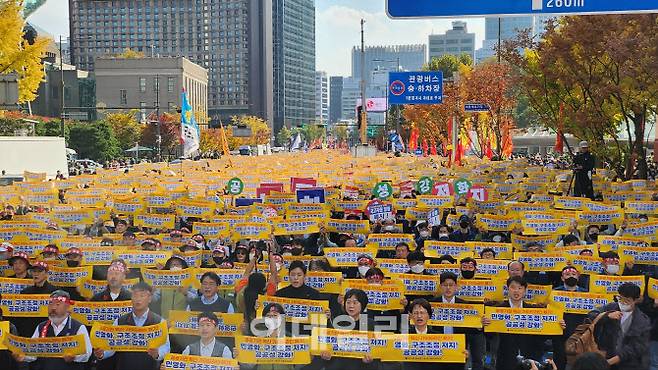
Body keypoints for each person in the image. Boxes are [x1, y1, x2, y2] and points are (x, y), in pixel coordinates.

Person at [484, 276, 566, 370]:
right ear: (507, 289)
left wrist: (557, 325)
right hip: (506, 357)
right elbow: (490, 335)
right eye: (513, 287)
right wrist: (485, 324)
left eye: (520, 288)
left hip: (531, 358)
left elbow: (543, 335)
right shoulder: (496, 310)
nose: (516, 291)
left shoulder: (535, 311)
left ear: (525, 290)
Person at [94, 282, 170, 370]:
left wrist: (157, 354)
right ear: (131, 298)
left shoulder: (159, 322)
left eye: (142, 295)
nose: (138, 299)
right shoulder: (119, 321)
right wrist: (101, 354)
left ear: (149, 299)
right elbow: (111, 347)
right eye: (135, 295)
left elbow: (166, 348)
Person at [16, 290, 92, 370]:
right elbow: (33, 352)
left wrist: (74, 356)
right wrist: (23, 356)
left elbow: (87, 353)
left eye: (58, 304)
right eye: (50, 304)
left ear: (67, 307)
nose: (53, 308)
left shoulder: (78, 327)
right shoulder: (41, 327)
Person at [587, 283, 650, 370]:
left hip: (628, 364)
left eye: (627, 300)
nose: (623, 303)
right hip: (604, 355)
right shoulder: (611, 307)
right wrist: (607, 315)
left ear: (635, 300)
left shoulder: (642, 320)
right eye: (620, 298)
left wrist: (612, 361)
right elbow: (591, 315)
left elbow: (637, 346)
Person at [432, 272, 483, 370]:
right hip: (437, 348)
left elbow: (471, 329)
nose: (448, 288)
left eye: (451, 285)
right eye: (444, 285)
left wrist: (479, 326)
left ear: (456, 287)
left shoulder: (465, 305)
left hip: (458, 349)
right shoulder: (432, 304)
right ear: (440, 286)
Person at [321, 289, 379, 370]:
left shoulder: (371, 324)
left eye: (355, 303)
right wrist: (327, 357)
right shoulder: (337, 322)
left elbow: (377, 352)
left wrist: (370, 360)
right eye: (348, 302)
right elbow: (329, 347)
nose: (351, 306)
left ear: (363, 305)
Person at [552, 266, 588, 370]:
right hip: (560, 331)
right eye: (567, 274)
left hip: (580, 331)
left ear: (578, 277)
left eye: (573, 274)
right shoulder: (555, 292)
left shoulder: (586, 294)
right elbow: (551, 313)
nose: (571, 276)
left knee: (580, 361)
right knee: (560, 360)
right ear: (562, 278)